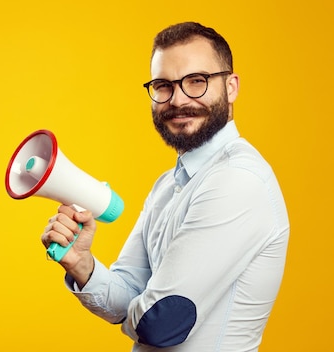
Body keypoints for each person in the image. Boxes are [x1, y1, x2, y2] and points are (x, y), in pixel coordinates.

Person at [40, 22, 290, 351]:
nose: (178, 99)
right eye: (163, 86)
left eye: (197, 81)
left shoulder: (238, 180)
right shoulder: (167, 186)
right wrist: (81, 264)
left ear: (231, 87)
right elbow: (130, 292)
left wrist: (138, 311)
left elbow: (161, 323)